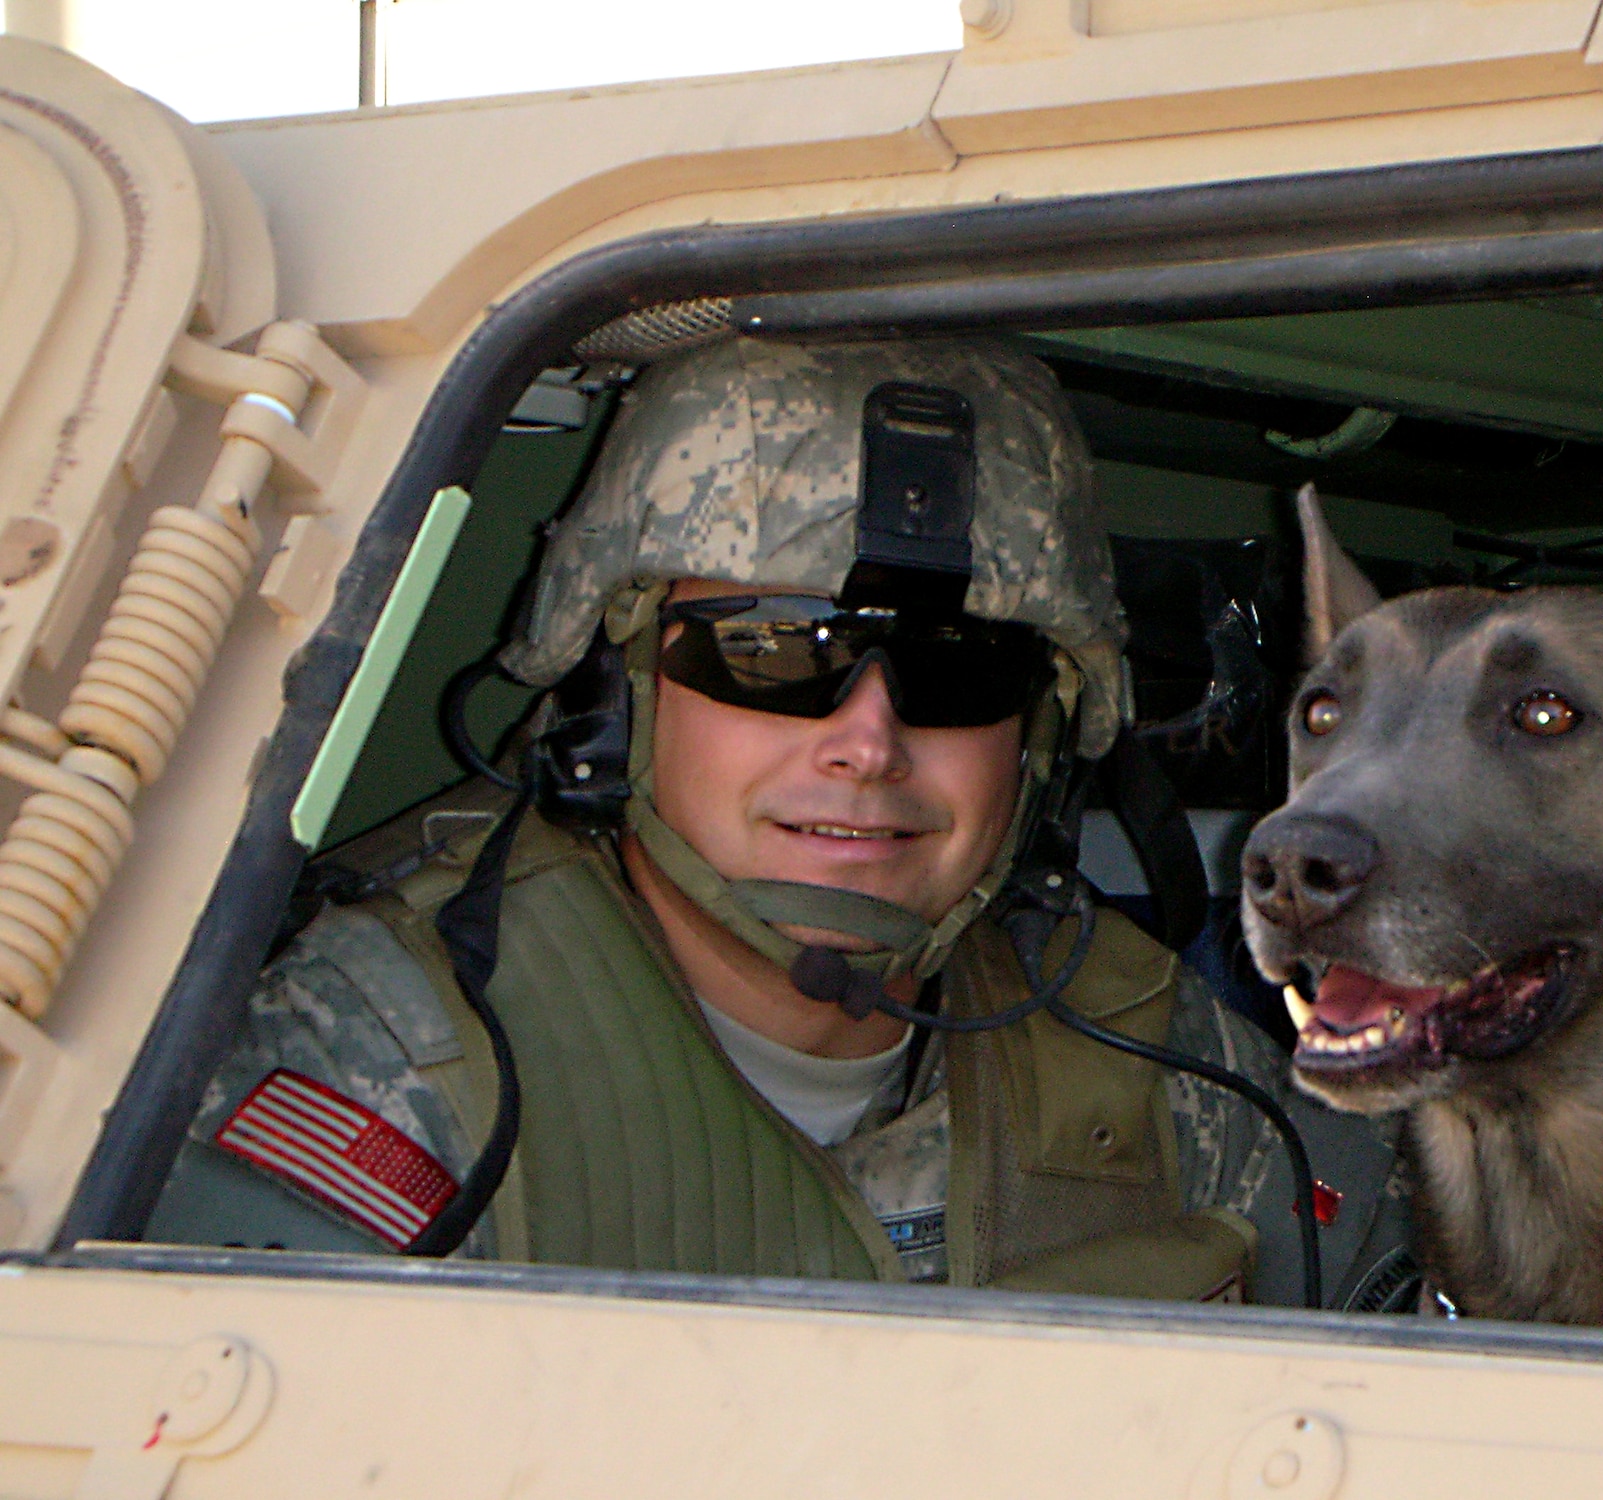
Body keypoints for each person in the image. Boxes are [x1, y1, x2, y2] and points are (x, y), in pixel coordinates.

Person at [147, 335, 1414, 1307]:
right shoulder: (391, 1061)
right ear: (616, 689)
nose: (866, 743)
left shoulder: (1159, 1064)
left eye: (957, 671)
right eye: (770, 652)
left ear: (1035, 741)